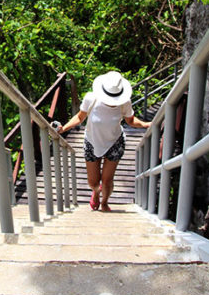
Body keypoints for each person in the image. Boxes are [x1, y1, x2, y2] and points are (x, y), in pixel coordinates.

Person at [57, 71, 151, 212]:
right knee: (93, 182)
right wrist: (63, 128)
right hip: (92, 141)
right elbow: (80, 117)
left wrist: (145, 125)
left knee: (107, 180)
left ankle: (105, 202)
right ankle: (96, 192)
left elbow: (130, 120)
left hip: (115, 142)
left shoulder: (124, 102)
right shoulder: (91, 98)